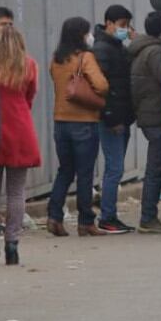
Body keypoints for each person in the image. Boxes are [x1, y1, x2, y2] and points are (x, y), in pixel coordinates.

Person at [0, 24, 40, 266]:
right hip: (20, 126)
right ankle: (12, 243)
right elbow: (30, 96)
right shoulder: (28, 65)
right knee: (17, 190)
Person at [46, 16, 107, 237]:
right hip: (84, 122)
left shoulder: (56, 59)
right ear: (81, 34)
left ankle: (54, 216)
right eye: (87, 32)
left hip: (60, 122)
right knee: (85, 173)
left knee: (65, 171)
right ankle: (86, 221)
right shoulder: (85, 57)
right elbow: (101, 85)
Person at [90, 4, 136, 234]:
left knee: (115, 168)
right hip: (112, 119)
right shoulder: (102, 49)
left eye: (127, 26)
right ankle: (107, 216)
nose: (125, 30)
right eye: (121, 25)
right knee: (114, 169)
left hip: (122, 117)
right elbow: (103, 89)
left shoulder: (117, 47)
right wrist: (111, 117)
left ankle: (110, 214)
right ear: (108, 23)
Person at [129, 11, 161, 234]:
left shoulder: (141, 50)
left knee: (156, 166)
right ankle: (148, 216)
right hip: (156, 116)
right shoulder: (155, 52)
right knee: (155, 168)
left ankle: (150, 214)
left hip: (148, 116)